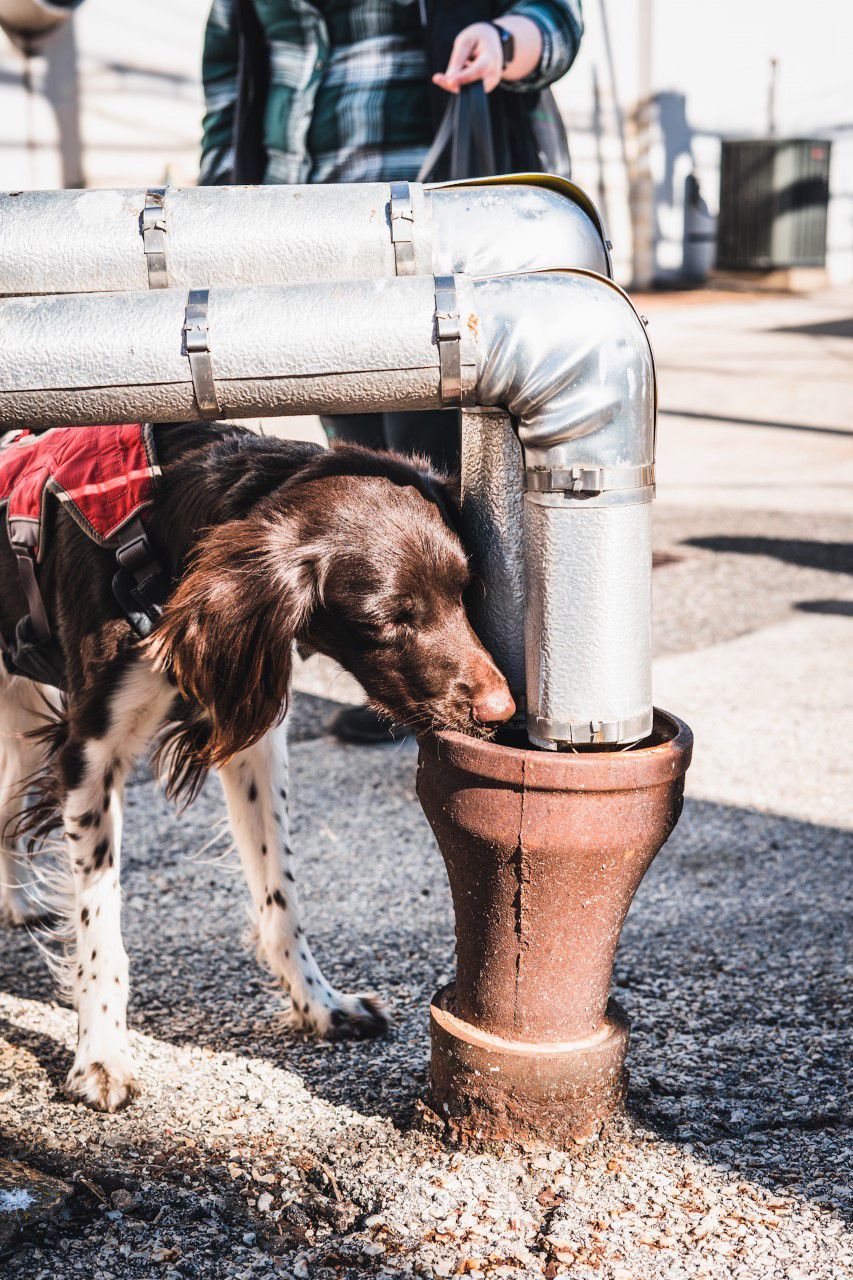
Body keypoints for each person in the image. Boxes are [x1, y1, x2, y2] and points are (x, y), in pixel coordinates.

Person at [199, 0, 582, 740]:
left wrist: (504, 42)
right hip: (302, 229)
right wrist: (215, 224)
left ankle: (490, 678)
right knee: (361, 461)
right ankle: (412, 671)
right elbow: (227, 91)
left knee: (447, 468)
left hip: (443, 216)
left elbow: (557, 25)